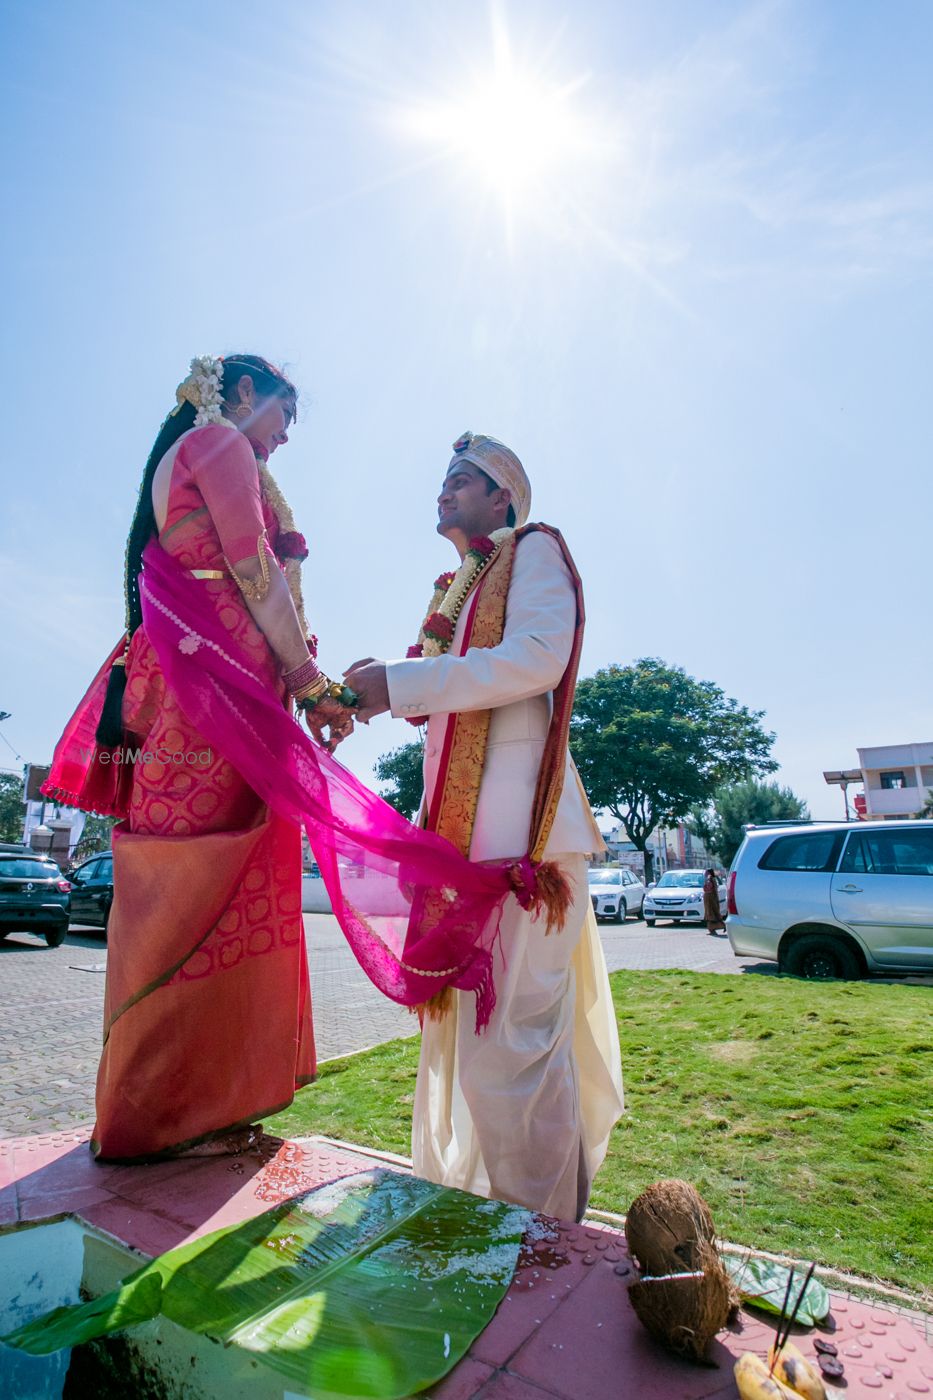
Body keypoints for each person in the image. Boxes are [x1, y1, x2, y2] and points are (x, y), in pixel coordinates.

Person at [45, 354, 352, 1161]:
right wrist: (309, 679)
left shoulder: (193, 456)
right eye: (284, 418)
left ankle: (187, 1108)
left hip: (201, 698)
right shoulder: (220, 447)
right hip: (213, 704)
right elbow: (253, 569)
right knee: (197, 886)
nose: (283, 440)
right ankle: (166, 1114)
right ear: (243, 394)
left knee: (193, 884)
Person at [345, 432, 624, 1222]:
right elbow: (459, 696)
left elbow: (538, 656)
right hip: (467, 847)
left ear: (502, 497)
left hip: (521, 844)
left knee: (515, 1051)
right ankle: (497, 1215)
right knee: (483, 1047)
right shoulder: (460, 588)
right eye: (443, 479)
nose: (443, 491)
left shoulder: (533, 549)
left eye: (461, 480)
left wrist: (400, 682)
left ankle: (539, 1240)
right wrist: (391, 690)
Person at [703, 867, 726, 934]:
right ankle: (712, 930)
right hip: (709, 898)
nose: (705, 873)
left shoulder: (710, 879)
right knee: (710, 914)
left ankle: (721, 926)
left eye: (706, 872)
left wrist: (707, 880)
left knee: (712, 914)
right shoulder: (711, 879)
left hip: (710, 899)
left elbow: (708, 888)